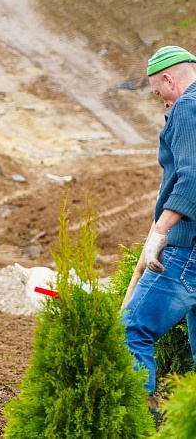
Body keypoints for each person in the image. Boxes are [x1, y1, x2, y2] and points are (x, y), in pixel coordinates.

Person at [124, 45, 196, 421]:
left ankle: (137, 422)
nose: (161, 102)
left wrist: (160, 231)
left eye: (158, 92)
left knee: (130, 331)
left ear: (168, 79)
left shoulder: (187, 107)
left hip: (188, 249)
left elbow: (193, 177)